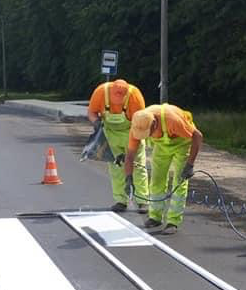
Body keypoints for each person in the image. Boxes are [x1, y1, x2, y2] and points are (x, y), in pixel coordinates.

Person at [123, 104, 203, 235]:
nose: (145, 137)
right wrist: (128, 178)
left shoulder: (172, 120)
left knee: (179, 181)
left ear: (154, 123)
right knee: (156, 179)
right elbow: (130, 155)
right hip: (161, 146)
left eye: (147, 134)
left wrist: (190, 165)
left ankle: (173, 221)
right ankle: (155, 217)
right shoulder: (137, 126)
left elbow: (197, 136)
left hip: (182, 142)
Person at [87, 79, 150, 213]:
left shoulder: (135, 97)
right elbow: (91, 112)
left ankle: (143, 201)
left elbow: (141, 124)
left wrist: (130, 154)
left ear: (126, 95)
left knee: (138, 167)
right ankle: (120, 201)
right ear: (110, 93)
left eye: (121, 99)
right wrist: (96, 122)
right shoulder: (100, 92)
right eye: (115, 98)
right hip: (111, 135)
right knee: (115, 167)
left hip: (132, 132)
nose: (118, 102)